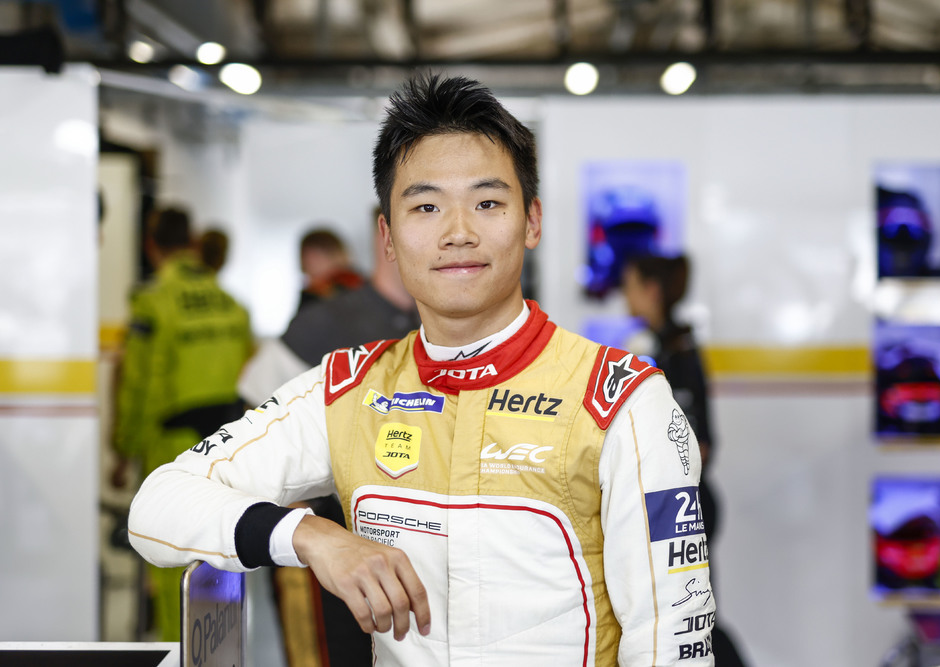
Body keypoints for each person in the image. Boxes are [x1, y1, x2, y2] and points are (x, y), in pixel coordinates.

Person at [128, 74, 715, 665]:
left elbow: (672, 641)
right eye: (426, 207)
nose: (458, 233)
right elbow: (156, 507)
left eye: (488, 203)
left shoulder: (623, 401)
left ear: (532, 221)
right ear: (387, 237)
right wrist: (309, 535)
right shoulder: (348, 390)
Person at [238, 206, 418, 667]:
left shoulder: (449, 327)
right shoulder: (322, 325)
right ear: (385, 233)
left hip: (419, 549)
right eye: (421, 213)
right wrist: (298, 516)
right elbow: (251, 407)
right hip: (328, 546)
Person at [114, 206, 253, 641]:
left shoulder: (153, 302)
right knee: (218, 549)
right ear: (191, 241)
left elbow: (141, 383)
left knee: (169, 552)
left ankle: (180, 652)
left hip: (170, 442)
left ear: (150, 245)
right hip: (224, 447)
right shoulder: (232, 304)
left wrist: (125, 448)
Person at [622, 254, 748, 667]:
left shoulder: (677, 353)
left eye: (630, 285)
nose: (625, 296)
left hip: (684, 504)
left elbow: (700, 442)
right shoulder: (652, 348)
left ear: (651, 290)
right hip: (669, 504)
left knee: (696, 622)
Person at [296, 227, 363, 313]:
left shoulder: (355, 285)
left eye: (317, 257)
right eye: (307, 260)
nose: (311, 264)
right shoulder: (311, 293)